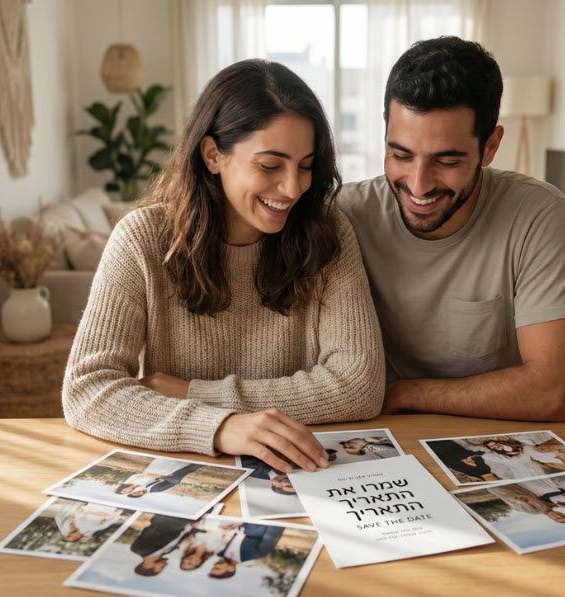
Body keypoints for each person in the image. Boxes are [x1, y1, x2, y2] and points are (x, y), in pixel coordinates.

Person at [62, 60, 385, 469]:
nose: (293, 188)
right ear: (213, 155)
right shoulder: (141, 239)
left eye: (305, 166)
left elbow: (359, 387)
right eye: (270, 165)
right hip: (188, 469)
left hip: (299, 470)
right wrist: (220, 427)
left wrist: (193, 393)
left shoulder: (328, 232)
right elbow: (87, 389)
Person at [336, 36, 565, 422]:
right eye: (401, 154)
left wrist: (404, 393)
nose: (418, 185)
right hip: (382, 432)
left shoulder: (538, 214)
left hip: (487, 432)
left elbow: (553, 392)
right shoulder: (345, 214)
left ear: (490, 147)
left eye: (446, 161)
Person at [208, 523, 285, 579]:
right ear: (231, 569)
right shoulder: (258, 554)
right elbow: (274, 531)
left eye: (213, 567)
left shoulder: (219, 551)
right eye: (217, 568)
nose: (215, 565)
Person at [131, 515, 196, 577]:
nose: (165, 565)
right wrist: (190, 532)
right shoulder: (167, 551)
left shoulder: (138, 549)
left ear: (146, 565)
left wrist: (186, 523)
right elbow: (181, 534)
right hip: (190, 522)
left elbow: (157, 528)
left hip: (174, 518)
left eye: (162, 567)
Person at [117, 460, 203, 498]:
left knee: (176, 463)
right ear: (140, 495)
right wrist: (163, 477)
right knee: (192, 466)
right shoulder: (155, 490)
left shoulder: (142, 485)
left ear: (122, 488)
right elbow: (175, 482)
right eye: (136, 494)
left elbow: (143, 476)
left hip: (155, 472)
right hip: (171, 475)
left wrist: (155, 476)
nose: (136, 492)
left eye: (125, 491)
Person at [53, 501, 125, 543]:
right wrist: (114, 519)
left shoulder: (73, 526)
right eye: (74, 538)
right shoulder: (87, 531)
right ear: (78, 538)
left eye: (70, 536)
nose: (74, 536)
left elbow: (79, 514)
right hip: (103, 511)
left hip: (90, 508)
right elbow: (101, 526)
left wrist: (82, 513)